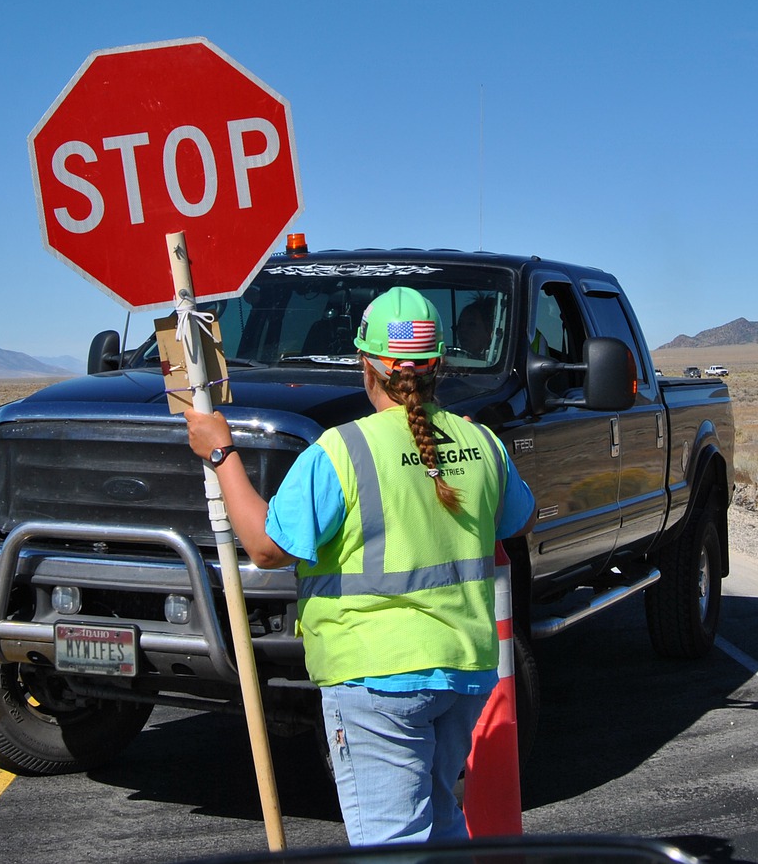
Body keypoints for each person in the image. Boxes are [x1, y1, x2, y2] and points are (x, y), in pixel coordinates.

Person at [184, 286, 536, 845]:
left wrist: (222, 454)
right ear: (439, 365)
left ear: (365, 366)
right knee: (442, 824)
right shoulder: (482, 442)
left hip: (376, 677)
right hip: (464, 674)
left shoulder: (340, 452)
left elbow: (268, 548)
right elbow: (517, 520)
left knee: (392, 841)